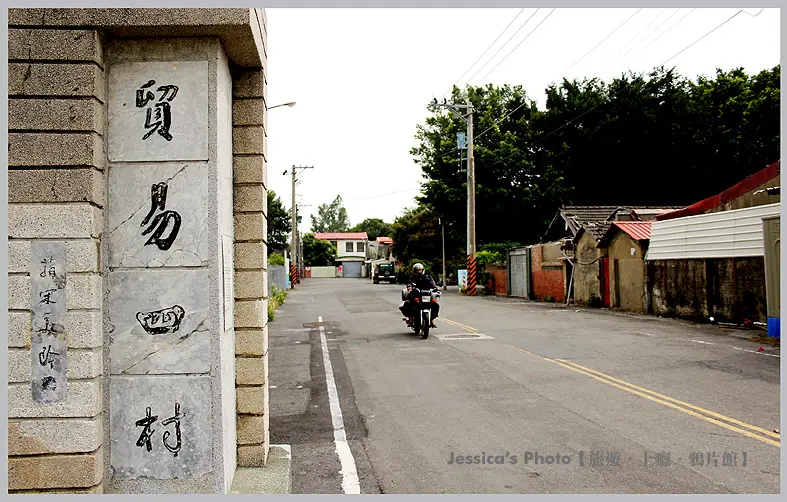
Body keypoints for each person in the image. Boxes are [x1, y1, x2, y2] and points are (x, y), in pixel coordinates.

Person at [399, 263, 440, 328]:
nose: (419, 271)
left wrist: (436, 288)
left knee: (435, 305)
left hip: (426, 296)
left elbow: (432, 284)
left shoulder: (428, 277)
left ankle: (431, 319)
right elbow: (409, 283)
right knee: (408, 303)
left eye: (420, 270)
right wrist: (409, 287)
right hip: (416, 295)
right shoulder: (412, 278)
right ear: (415, 271)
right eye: (417, 270)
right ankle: (410, 318)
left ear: (423, 270)